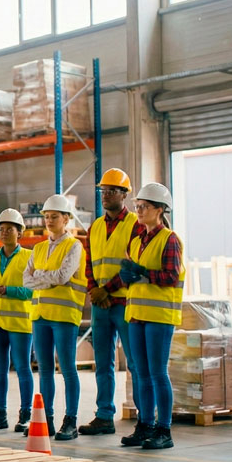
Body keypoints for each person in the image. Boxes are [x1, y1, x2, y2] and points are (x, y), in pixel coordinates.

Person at [118, 182, 183, 450]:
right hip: (136, 315)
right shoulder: (136, 241)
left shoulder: (170, 239)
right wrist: (127, 276)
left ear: (160, 210)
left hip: (159, 316)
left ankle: (163, 430)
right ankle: (145, 424)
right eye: (137, 207)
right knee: (140, 374)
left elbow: (171, 276)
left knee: (157, 373)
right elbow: (133, 279)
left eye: (144, 207)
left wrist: (143, 272)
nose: (139, 211)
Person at [80, 169, 140, 436]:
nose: (105, 195)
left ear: (124, 195)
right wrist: (95, 291)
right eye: (102, 191)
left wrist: (107, 290)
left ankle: (144, 416)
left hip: (125, 302)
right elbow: (90, 264)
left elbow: (133, 265)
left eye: (111, 191)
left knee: (135, 362)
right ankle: (105, 415)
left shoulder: (136, 225)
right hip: (101, 305)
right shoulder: (94, 227)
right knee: (103, 363)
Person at [22, 194, 87, 440]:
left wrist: (41, 275)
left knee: (68, 369)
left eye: (54, 216)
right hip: (40, 316)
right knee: (45, 370)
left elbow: (63, 276)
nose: (49, 220)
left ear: (66, 218)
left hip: (64, 315)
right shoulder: (38, 248)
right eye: (47, 217)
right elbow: (27, 280)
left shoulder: (74, 246)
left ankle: (70, 421)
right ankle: (46, 419)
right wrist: (45, 276)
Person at [0, 209, 34, 432]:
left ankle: (26, 414)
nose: (4, 233)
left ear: (19, 232)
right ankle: (0, 414)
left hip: (20, 323)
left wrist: (8, 290)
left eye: (9, 229)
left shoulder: (29, 257)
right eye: (1, 229)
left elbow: (32, 291)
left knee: (22, 368)